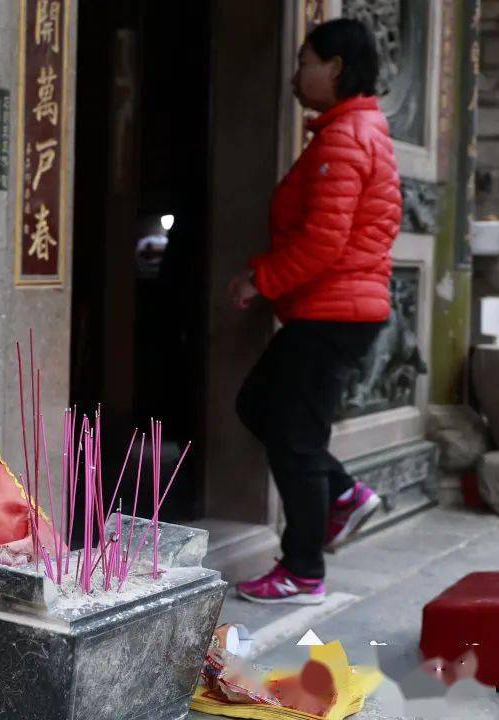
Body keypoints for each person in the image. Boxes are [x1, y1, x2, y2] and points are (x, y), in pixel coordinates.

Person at [229, 18, 401, 605]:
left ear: (335, 66)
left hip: (334, 311)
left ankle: (302, 570)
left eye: (304, 61)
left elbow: (325, 241)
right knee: (261, 406)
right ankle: (344, 495)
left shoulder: (343, 139)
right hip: (336, 308)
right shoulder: (351, 130)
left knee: (296, 438)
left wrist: (262, 279)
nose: (296, 74)